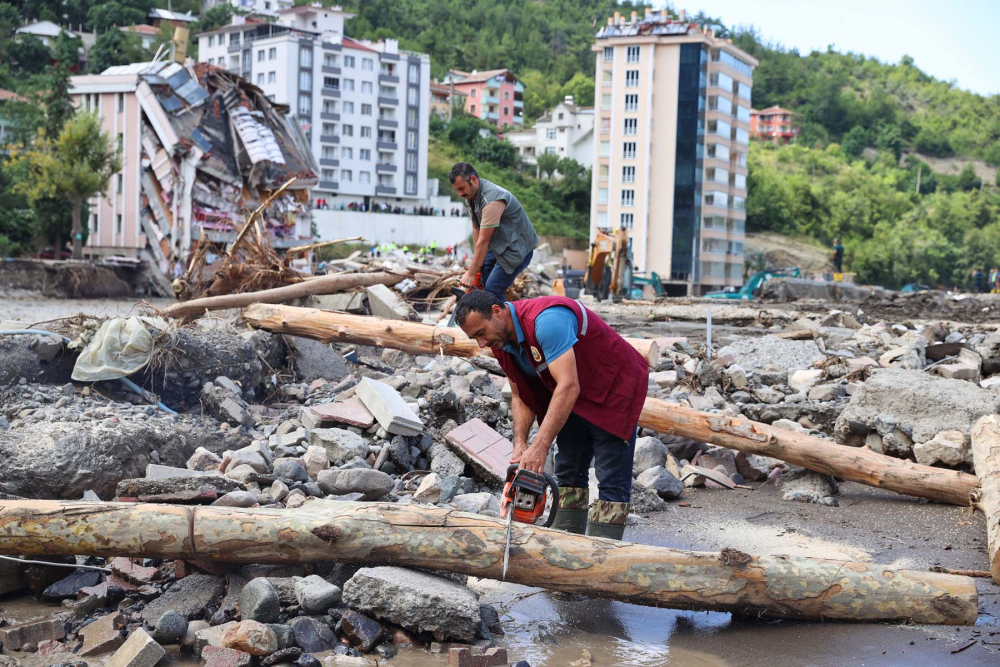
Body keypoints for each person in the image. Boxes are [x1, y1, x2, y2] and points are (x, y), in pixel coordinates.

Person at [455, 290, 648, 540]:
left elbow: (568, 385)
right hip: (570, 394)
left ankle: (603, 561)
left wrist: (540, 447)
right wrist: (521, 443)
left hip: (613, 387)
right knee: (569, 470)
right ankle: (567, 550)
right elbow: (519, 394)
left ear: (496, 311)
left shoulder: (546, 322)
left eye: (481, 333)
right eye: (475, 338)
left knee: (611, 477)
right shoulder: (501, 341)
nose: (481, 344)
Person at [449, 162, 539, 297]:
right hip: (497, 244)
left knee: (492, 289)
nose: (460, 194)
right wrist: (476, 265)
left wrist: (471, 273)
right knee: (483, 282)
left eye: (462, 188)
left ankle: (506, 317)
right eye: (457, 190)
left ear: (473, 179)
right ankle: (486, 315)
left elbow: (484, 240)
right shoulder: (471, 196)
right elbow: (476, 228)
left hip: (516, 247)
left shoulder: (492, 200)